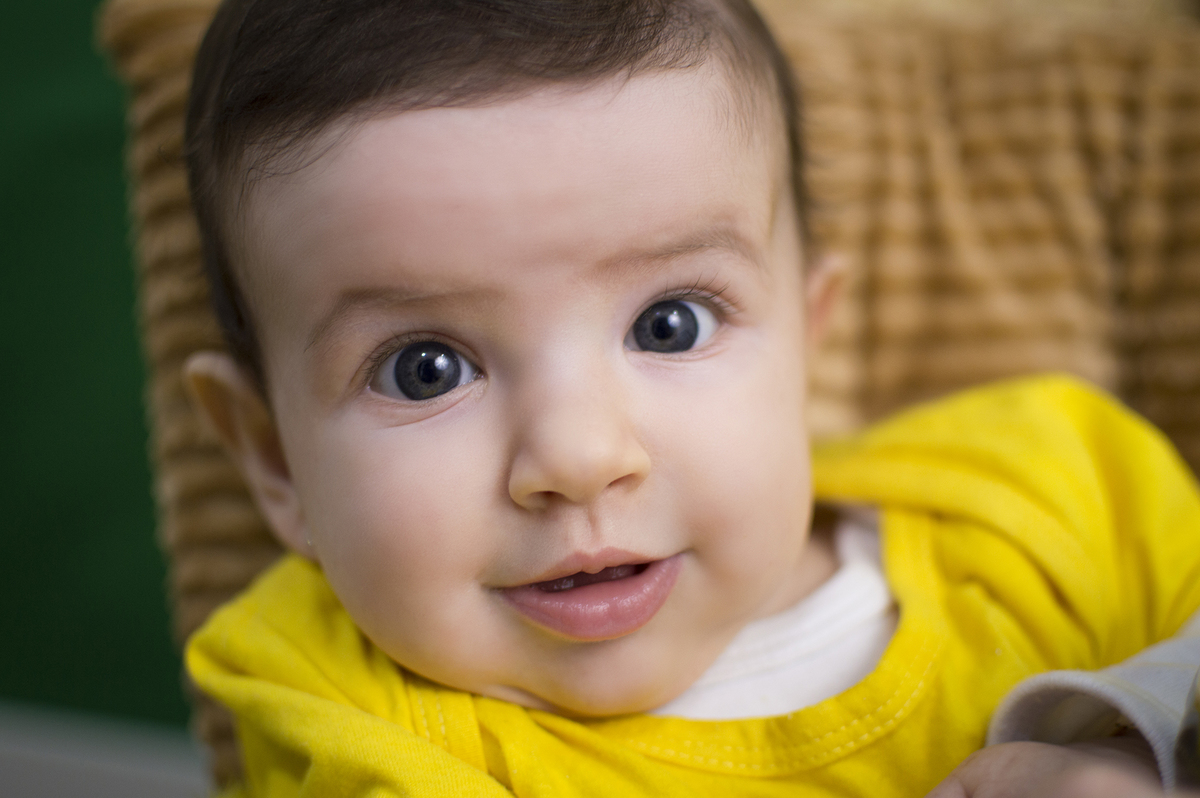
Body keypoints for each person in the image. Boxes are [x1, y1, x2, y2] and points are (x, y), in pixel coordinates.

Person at [177, 0, 1200, 795]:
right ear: (274, 461)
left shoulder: (1056, 490)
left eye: (670, 323)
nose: (579, 456)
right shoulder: (339, 704)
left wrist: (1132, 731)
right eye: (425, 368)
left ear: (808, 334)